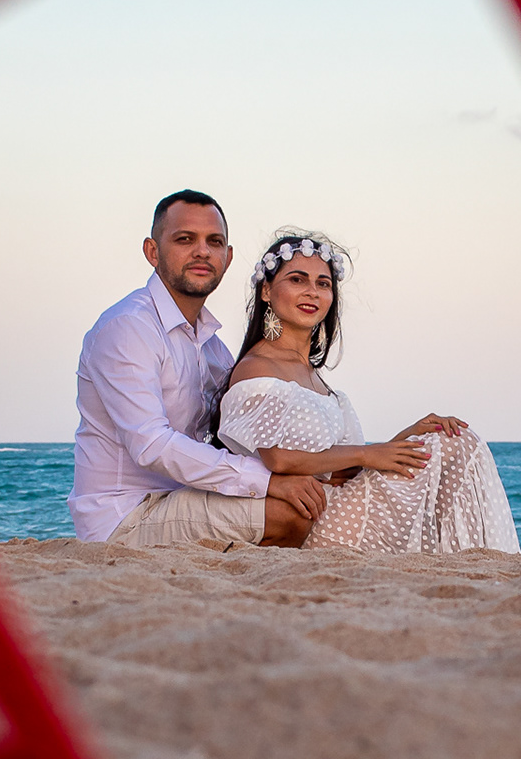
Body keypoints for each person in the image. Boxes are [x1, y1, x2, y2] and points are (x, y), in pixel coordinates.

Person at [215, 229, 519, 554]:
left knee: (449, 438)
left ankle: (471, 560)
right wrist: (367, 454)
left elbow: (351, 470)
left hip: (344, 504)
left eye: (323, 284)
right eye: (297, 280)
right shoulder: (258, 366)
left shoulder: (313, 376)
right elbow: (278, 458)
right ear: (266, 290)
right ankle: (477, 561)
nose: (312, 292)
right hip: (315, 517)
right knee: (453, 446)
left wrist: (405, 437)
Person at [69, 192, 327, 548]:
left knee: (315, 499)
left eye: (214, 242)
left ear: (228, 257)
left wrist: (337, 463)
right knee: (289, 512)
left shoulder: (211, 346)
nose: (202, 252)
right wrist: (269, 481)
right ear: (153, 252)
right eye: (185, 239)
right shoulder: (128, 327)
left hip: (184, 499)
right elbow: (152, 445)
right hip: (126, 515)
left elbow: (239, 436)